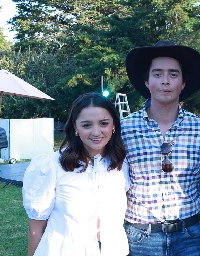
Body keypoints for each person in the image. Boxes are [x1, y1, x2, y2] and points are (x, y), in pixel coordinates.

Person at [121, 40, 200, 256]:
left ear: (182, 83)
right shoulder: (124, 129)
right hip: (140, 238)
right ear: (146, 81)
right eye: (157, 74)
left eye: (173, 74)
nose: (165, 81)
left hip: (189, 237)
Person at [22, 92, 130, 256]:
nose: (96, 132)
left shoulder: (121, 163)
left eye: (103, 123)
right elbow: (36, 227)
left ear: (113, 125)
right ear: (75, 127)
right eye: (86, 125)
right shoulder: (52, 165)